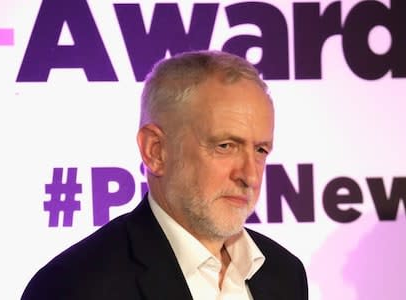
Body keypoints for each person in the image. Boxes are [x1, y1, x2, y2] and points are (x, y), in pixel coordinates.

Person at [21, 50, 308, 300]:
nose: (250, 176)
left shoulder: (284, 274)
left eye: (260, 150)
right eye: (225, 146)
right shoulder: (74, 286)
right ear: (155, 151)